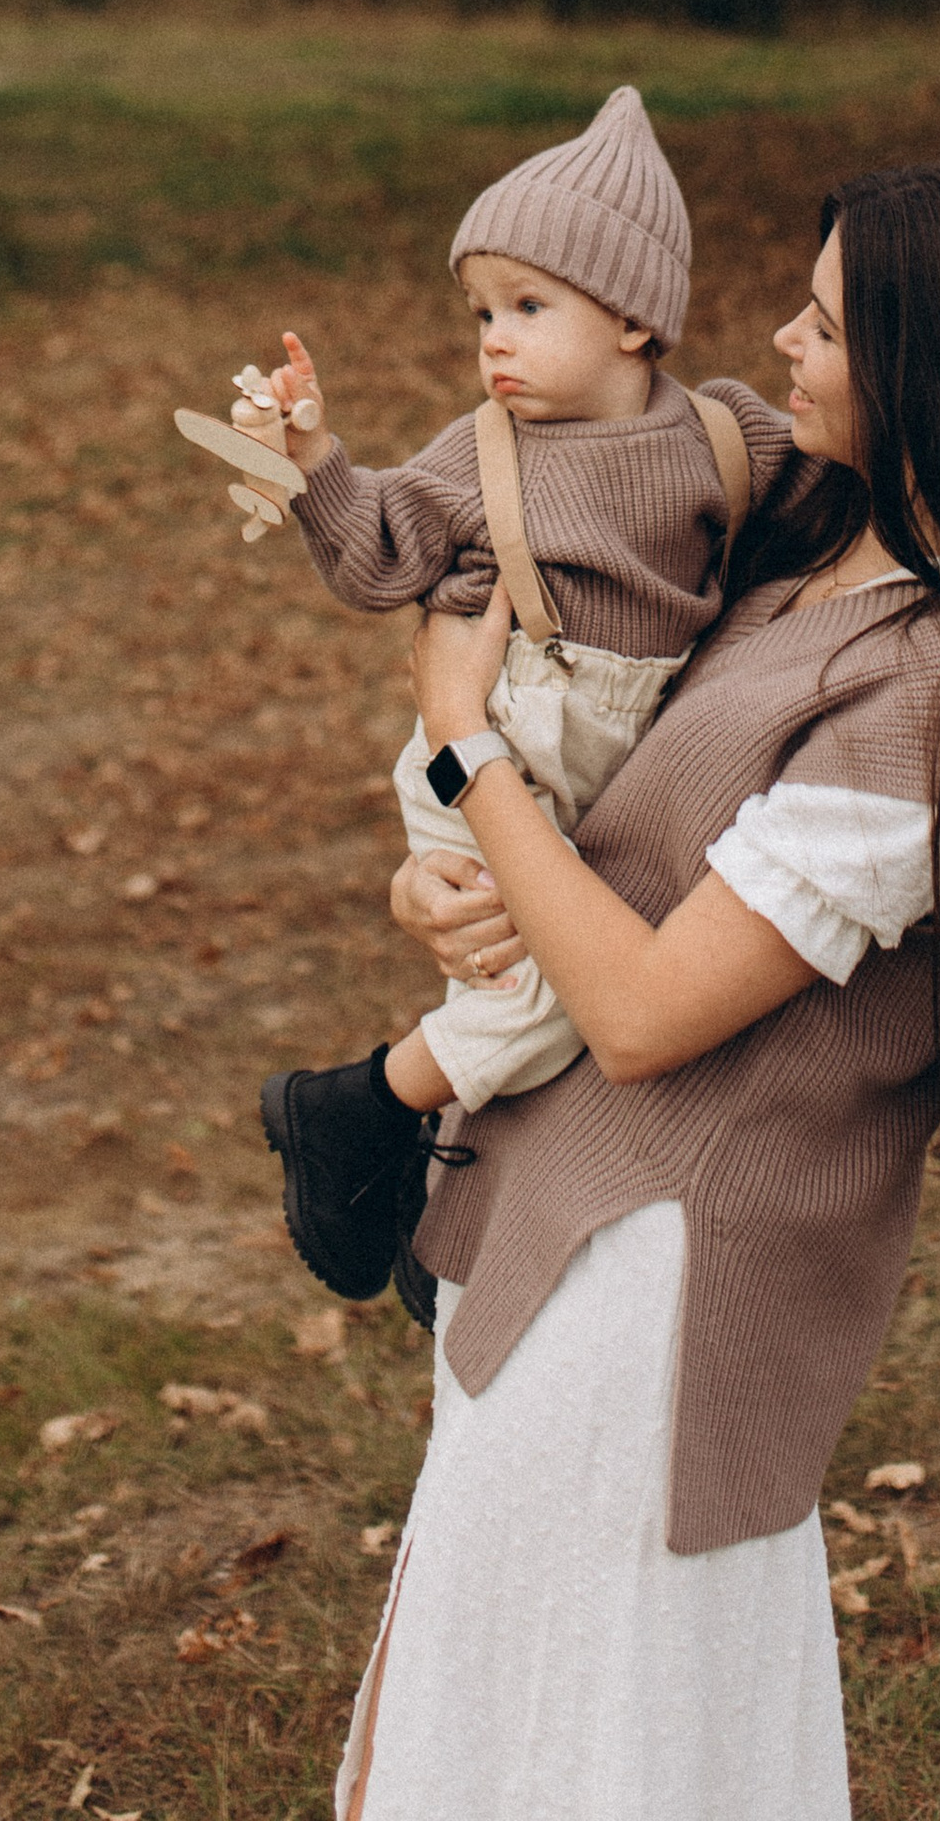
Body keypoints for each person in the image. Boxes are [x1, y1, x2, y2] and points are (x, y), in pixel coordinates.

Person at [336, 158, 940, 1821]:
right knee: (500, 1717)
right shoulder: (804, 557)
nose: (779, 339)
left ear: (933, 377)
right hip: (553, 1227)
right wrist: (452, 872)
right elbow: (611, 842)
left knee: (607, 1747)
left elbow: (644, 1011)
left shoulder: (938, 703)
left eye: (828, 323)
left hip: (663, 1298)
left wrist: (463, 738)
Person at [233, 87, 797, 1316]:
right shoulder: (481, 453)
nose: (494, 339)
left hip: (618, 763)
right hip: (502, 743)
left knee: (593, 986)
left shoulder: (726, 436)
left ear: (638, 320)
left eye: (529, 308)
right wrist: (319, 465)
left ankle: (442, 1209)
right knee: (540, 996)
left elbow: (822, 512)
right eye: (482, 310)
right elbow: (383, 557)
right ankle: (354, 1116)